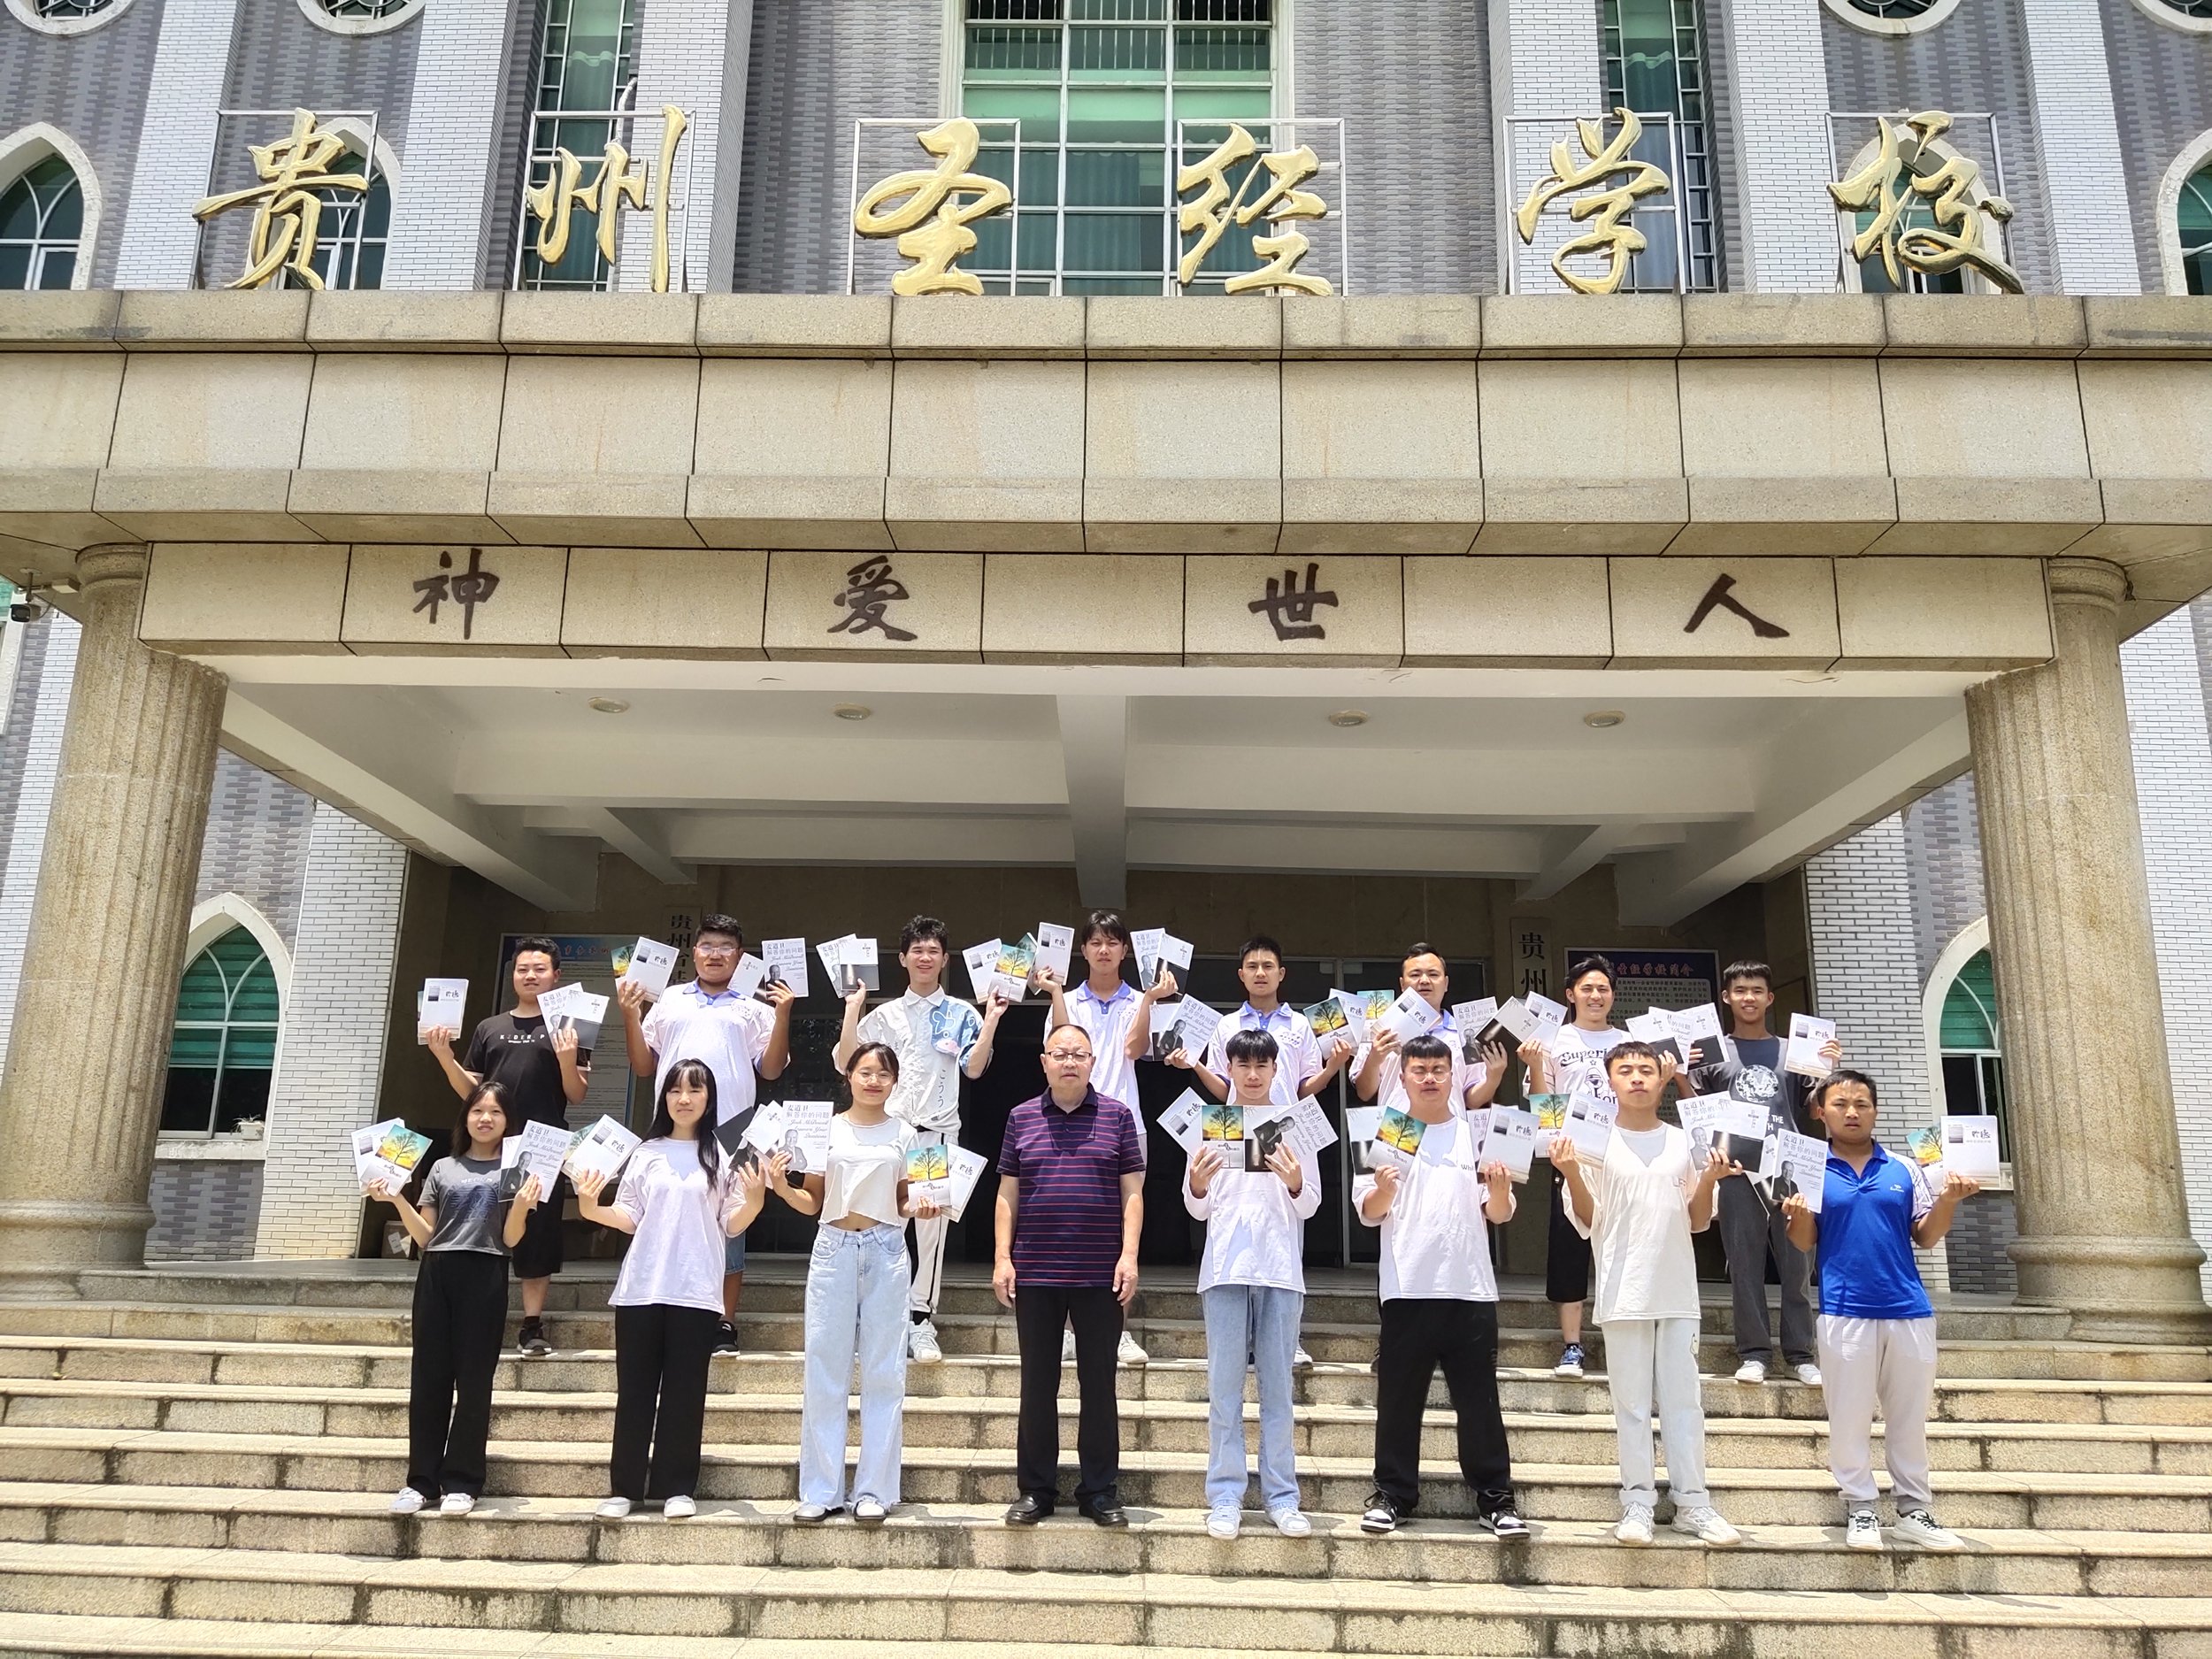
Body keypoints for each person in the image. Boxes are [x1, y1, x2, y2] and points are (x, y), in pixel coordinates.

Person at [1551, 1039, 1741, 1547]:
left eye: (1646, 1070)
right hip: (1622, 1287)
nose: (1636, 1078)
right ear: (1609, 1081)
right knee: (1631, 1403)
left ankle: (1693, 1503)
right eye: (1625, 1070)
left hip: (1677, 1288)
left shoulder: (1686, 1142)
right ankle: (1636, 1501)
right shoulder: (1591, 1144)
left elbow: (1700, 1221)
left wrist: (1708, 1178)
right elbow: (1589, 1221)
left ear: (1663, 1081)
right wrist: (1571, 1172)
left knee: (1684, 1401)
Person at [1783, 1071, 1977, 1553]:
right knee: (1848, 1416)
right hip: (1844, 1310)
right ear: (1821, 1111)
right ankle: (1861, 1508)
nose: (1852, 1112)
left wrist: (1950, 1199)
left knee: (1908, 1417)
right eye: (1841, 1103)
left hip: (1909, 1309)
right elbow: (1803, 1243)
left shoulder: (1904, 1168)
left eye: (1862, 1103)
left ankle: (1915, 1510)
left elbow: (1927, 1237)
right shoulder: (1808, 1168)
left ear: (1875, 1110)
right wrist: (1800, 1214)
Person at [575, 1058, 776, 1520]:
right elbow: (628, 1216)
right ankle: (625, 1487)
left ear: (709, 1099)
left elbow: (730, 1222)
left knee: (686, 1392)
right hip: (642, 1288)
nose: (684, 1099)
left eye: (695, 1090)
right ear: (664, 1098)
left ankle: (676, 1487)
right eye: (675, 1091)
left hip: (697, 1289)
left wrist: (758, 1200)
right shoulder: (646, 1153)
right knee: (635, 1391)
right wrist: (590, 1207)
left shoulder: (723, 1156)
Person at [1354, 1033, 1524, 1539]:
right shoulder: (1385, 1131)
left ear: (1453, 1076)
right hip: (1407, 1288)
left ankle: (1496, 1500)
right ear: (1401, 1076)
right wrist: (1383, 1191)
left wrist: (1498, 1191)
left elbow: (1499, 1213)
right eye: (1419, 1070)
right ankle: (1392, 1495)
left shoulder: (1478, 1132)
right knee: (1399, 1399)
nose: (1429, 1078)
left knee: (1479, 1402)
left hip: (1470, 1286)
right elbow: (1367, 1213)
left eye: (1439, 1070)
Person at [615, 913, 795, 1356]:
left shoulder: (752, 1007)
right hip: (673, 1130)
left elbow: (771, 1069)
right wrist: (629, 1016)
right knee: (667, 1214)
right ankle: (664, 1305)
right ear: (694, 952)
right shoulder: (671, 999)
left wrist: (784, 1013)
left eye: (726, 947)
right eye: (707, 946)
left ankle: (724, 1322)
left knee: (731, 1224)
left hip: (733, 1131)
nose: (715, 954)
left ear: (739, 956)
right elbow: (643, 1066)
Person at [780, 1042, 941, 1524]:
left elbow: (907, 1200)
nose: (873, 1080)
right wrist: (780, 1187)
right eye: (865, 1071)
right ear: (847, 1075)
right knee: (824, 1368)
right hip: (833, 1248)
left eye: (883, 1073)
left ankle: (874, 1490)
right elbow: (812, 1202)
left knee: (884, 1371)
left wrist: (926, 1207)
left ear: (895, 1082)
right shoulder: (824, 1129)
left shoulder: (910, 1134)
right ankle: (821, 1489)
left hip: (887, 1248)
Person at [834, 915, 1006, 1366]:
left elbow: (972, 1068)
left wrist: (990, 1021)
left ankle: (919, 1320)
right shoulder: (885, 1014)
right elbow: (843, 1061)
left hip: (935, 1134)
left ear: (944, 960)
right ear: (904, 958)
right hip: (889, 1133)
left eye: (933, 951)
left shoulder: (961, 1013)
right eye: (917, 950)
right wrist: (853, 1007)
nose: (925, 957)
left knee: (930, 1229)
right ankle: (867, 1318)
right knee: (875, 1220)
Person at [994, 1023, 1146, 1528]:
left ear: (1092, 1061)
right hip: (1036, 1270)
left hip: (1100, 1272)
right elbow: (1007, 1194)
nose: (1069, 1062)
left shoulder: (1118, 1117)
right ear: (1044, 1061)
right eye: (1060, 1053)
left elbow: (1132, 1193)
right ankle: (1036, 1490)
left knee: (1098, 1383)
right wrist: (1002, 1257)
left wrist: (1129, 1256)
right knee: (1038, 1384)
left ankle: (1099, 1490)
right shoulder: (1020, 1118)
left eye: (1079, 1053)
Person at [1178, 934, 1348, 1373]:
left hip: (1286, 1127)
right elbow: (1221, 1085)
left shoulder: (1299, 1026)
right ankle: (1238, 1342)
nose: (1260, 972)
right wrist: (1193, 1065)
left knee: (1288, 1229)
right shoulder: (1225, 1026)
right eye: (1251, 966)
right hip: (1234, 1127)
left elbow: (1308, 1084)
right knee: (1230, 1220)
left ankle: (1287, 1342)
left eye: (1267, 965)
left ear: (1281, 973)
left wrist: (1334, 1065)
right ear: (1241, 975)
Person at [373, 1079, 540, 1517]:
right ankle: (420, 1482)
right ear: (466, 1117)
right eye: (477, 1111)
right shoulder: (442, 1169)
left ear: (508, 1122)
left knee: (474, 1381)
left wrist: (522, 1206)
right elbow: (427, 1238)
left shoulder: (516, 1171)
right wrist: (398, 1201)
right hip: (438, 1272)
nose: (485, 1119)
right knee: (428, 1378)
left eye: (496, 1112)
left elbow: (510, 1238)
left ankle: (463, 1482)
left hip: (486, 1272)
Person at [1183, 1028, 1322, 1539]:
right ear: (1230, 1068)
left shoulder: (1297, 1127)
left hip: (1281, 1270)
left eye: (1262, 1066)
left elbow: (1312, 1206)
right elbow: (1194, 1206)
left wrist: (1294, 1182)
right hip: (1224, 1270)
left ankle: (1283, 1497)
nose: (1253, 1074)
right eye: (1242, 1065)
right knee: (1223, 1390)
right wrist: (1197, 1183)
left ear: (1275, 1068)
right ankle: (1224, 1497)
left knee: (1278, 1391)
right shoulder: (1212, 1124)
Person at [425, 936, 587, 1358]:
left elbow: (577, 1093)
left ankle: (532, 1325)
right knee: (483, 1226)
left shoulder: (572, 1025)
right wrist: (445, 1057)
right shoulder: (489, 1027)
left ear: (556, 975)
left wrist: (568, 1059)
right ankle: (478, 1317)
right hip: (490, 1143)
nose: (530, 976)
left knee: (537, 1235)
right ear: (513, 974)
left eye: (539, 969)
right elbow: (471, 1092)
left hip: (543, 1145)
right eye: (522, 969)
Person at [1687, 960, 1841, 1386]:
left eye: (1757, 990)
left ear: (1770, 998)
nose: (1749, 997)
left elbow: (1813, 1111)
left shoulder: (1795, 1052)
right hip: (1735, 1170)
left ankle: (1799, 1353)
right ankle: (1753, 1352)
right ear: (1726, 997)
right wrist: (1680, 1072)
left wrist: (1826, 1072)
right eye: (1740, 990)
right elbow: (1696, 1109)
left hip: (1789, 1169)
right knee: (1744, 1265)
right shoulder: (1714, 1052)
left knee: (1797, 1264)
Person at [1042, 909, 1164, 1366]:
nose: (1104, 950)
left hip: (1125, 1122)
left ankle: (1119, 1328)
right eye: (1096, 942)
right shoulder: (1069, 1000)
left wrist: (1150, 1000)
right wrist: (1054, 992)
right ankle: (1072, 1329)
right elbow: (1058, 1043)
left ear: (1125, 951)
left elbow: (1135, 1049)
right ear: (1084, 950)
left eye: (1113, 943)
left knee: (1123, 1226)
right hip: (1071, 1119)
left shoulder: (1139, 1000)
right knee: (1071, 1218)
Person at [1522, 954, 1625, 1380]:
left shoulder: (1630, 1039)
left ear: (1613, 996)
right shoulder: (1554, 1041)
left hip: (1621, 1156)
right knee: (1569, 1249)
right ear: (1570, 995)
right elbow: (1543, 1107)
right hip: (1570, 1156)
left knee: (1621, 1248)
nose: (1596, 995)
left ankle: (1624, 1341)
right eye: (1587, 988)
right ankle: (1572, 1345)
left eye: (1603, 988)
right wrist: (1533, 1067)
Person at [1350, 943, 1508, 1117]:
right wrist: (1374, 1059)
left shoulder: (1465, 1034)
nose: (1424, 981)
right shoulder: (1380, 1030)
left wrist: (1494, 1077)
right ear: (1402, 984)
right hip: (1398, 1132)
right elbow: (1364, 1093)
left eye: (1433, 974)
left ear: (1446, 983)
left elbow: (1472, 1100)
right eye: (1415, 975)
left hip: (1450, 1133)